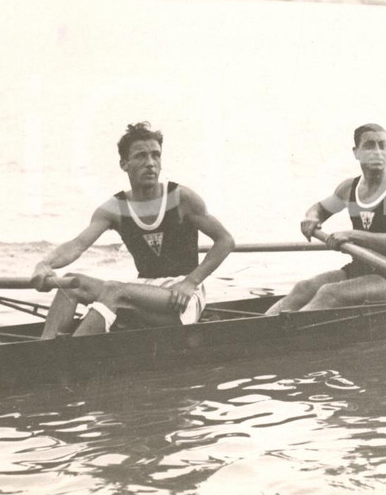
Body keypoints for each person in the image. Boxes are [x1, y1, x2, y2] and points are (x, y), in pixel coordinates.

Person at [31, 122, 235, 337]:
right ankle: (45, 347)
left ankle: (70, 351)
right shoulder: (114, 208)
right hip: (142, 291)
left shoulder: (181, 198)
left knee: (114, 290)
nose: (150, 163)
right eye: (141, 156)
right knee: (71, 284)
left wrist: (191, 282)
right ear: (124, 164)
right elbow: (77, 245)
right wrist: (45, 264)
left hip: (181, 296)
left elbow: (225, 241)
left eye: (156, 155)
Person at [265, 123, 386, 314]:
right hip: (357, 270)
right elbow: (318, 210)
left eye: (382, 145)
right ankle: (264, 326)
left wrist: (352, 235)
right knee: (303, 288)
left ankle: (284, 330)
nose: (377, 151)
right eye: (369, 145)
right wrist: (311, 218)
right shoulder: (349, 188)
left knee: (330, 293)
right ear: (356, 152)